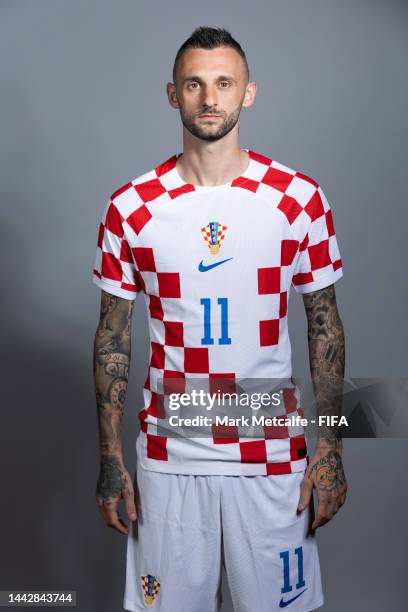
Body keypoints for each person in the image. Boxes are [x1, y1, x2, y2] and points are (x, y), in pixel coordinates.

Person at [92, 26, 347, 612]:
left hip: (274, 456)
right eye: (195, 84)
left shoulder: (298, 198)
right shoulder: (131, 206)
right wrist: (110, 459)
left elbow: (326, 328)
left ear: (247, 93)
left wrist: (330, 448)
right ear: (172, 95)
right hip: (170, 458)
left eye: (224, 83)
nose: (210, 98)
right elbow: (111, 338)